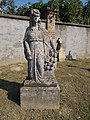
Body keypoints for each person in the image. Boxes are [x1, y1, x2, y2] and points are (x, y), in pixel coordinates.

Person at [23, 9, 56, 83]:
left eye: (37, 16)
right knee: (31, 67)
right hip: (31, 49)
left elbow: (49, 39)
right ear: (31, 17)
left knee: (40, 65)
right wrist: (27, 50)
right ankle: (32, 79)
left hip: (40, 49)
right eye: (34, 16)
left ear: (39, 18)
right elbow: (25, 40)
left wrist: (53, 48)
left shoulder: (42, 30)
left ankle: (41, 79)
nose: (35, 18)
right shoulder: (28, 29)